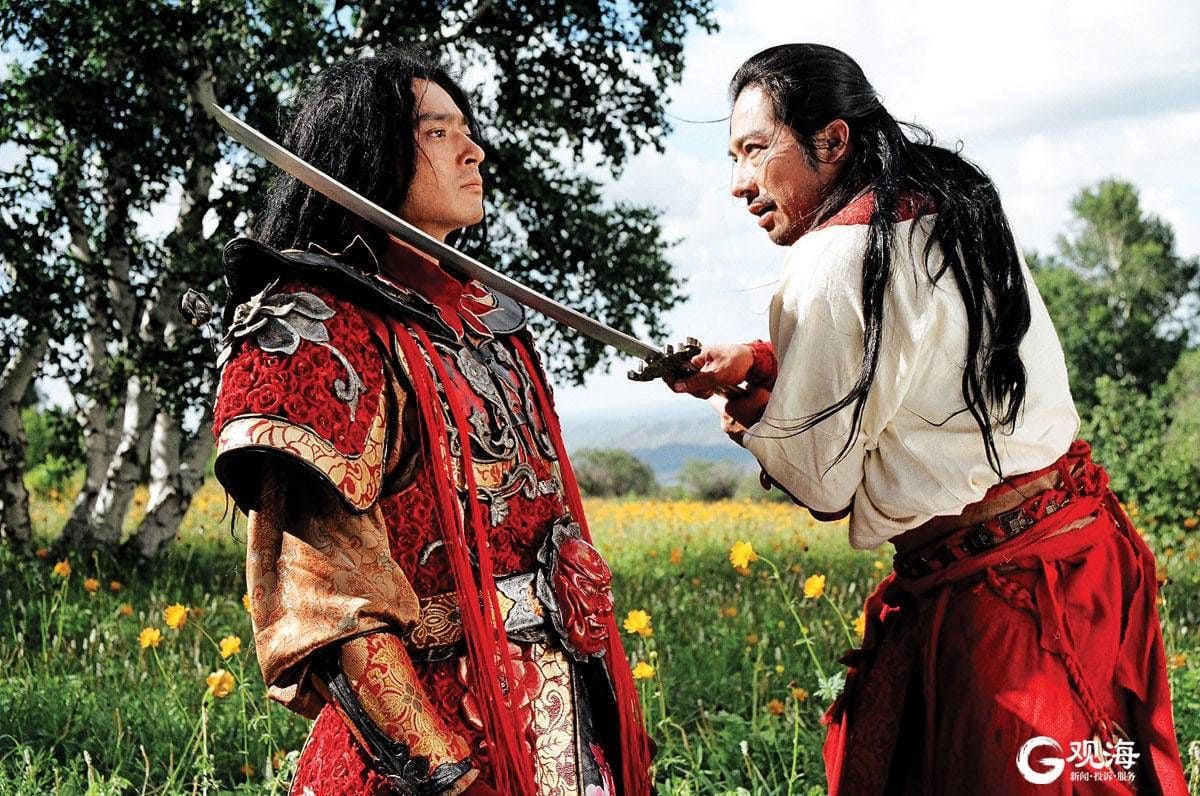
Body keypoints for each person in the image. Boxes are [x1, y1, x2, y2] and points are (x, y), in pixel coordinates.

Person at [668, 44, 1187, 794]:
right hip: (1081, 554)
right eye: (732, 156)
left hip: (1004, 614)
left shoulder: (833, 259)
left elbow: (823, 483)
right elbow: (920, 363)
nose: (738, 182)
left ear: (832, 140)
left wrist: (751, 422)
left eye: (754, 150)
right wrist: (762, 359)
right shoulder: (953, 204)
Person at [210, 49, 652, 795]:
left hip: (563, 722)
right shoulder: (315, 330)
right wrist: (451, 780)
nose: (473, 151)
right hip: (429, 744)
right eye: (439, 133)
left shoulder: (488, 317)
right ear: (368, 152)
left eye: (467, 130)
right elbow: (332, 607)